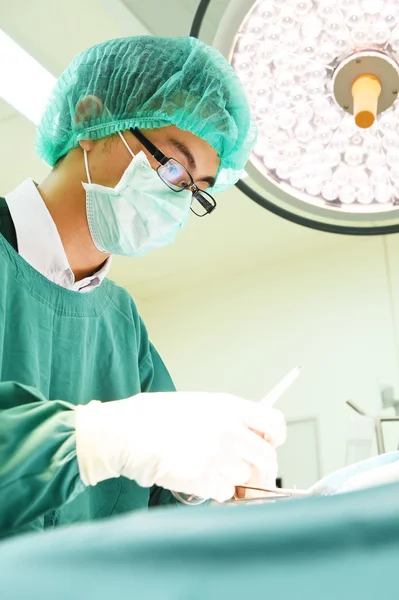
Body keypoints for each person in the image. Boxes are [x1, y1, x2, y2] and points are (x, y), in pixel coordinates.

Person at [0, 35, 286, 540]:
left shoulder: (121, 323)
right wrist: (98, 440)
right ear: (91, 120)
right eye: (173, 167)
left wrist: (209, 491)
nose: (179, 199)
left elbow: (154, 511)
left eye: (197, 189)